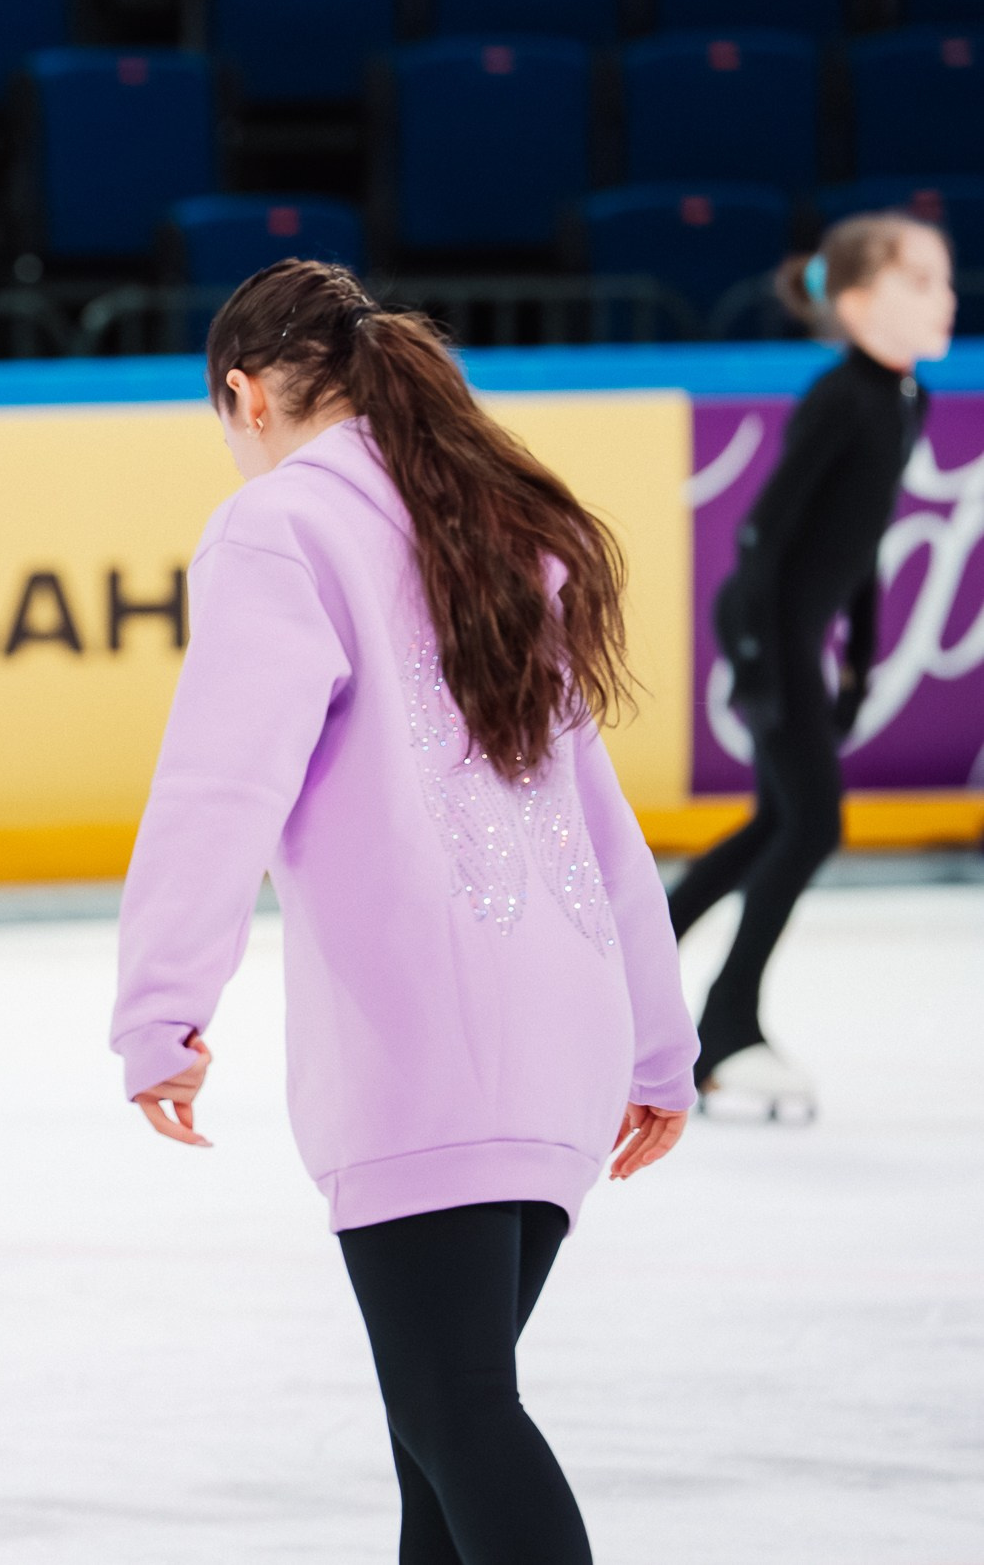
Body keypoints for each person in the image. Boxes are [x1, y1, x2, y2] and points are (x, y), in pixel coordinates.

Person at [110, 261, 697, 1565]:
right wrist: (657, 1041)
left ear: (243, 393)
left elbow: (222, 780)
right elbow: (596, 813)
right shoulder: (486, 524)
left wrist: (160, 1002)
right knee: (435, 1450)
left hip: (427, 1047)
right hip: (565, 1039)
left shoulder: (279, 526)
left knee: (458, 1416)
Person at [668, 213, 957, 1119]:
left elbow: (862, 540)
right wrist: (766, 655)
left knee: (778, 821)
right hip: (768, 622)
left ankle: (631, 960)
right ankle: (726, 1025)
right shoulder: (842, 396)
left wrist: (861, 664)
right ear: (863, 301)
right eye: (923, 282)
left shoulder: (911, 400)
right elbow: (765, 533)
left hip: (805, 636)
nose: (946, 297)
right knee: (813, 822)